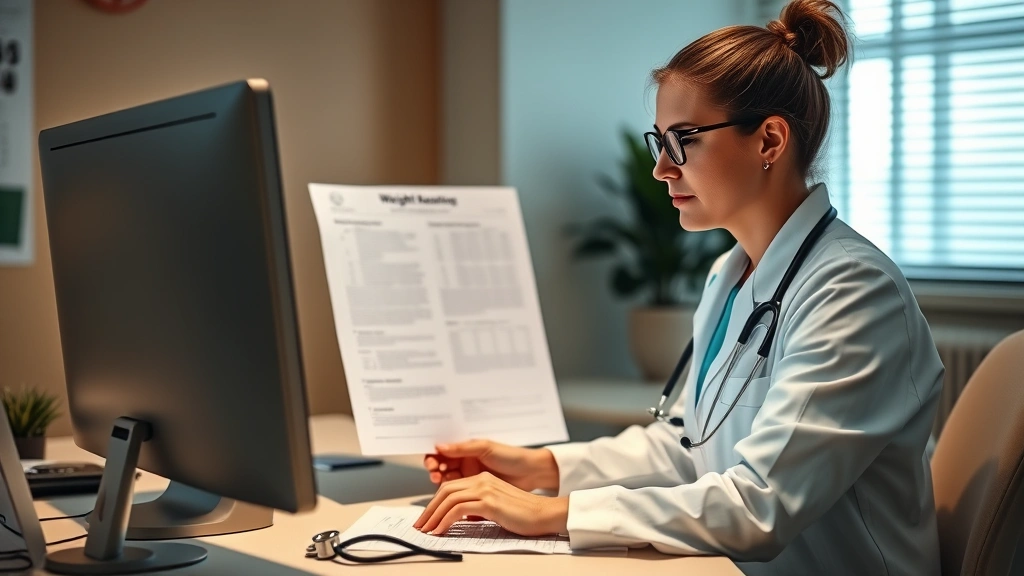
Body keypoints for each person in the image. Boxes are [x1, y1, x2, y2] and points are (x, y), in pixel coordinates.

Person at [414, 1, 944, 573]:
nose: (662, 169)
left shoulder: (851, 292)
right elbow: (688, 444)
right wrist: (537, 467)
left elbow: (757, 506)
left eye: (683, 140)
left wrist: (555, 513)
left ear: (769, 141)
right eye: (659, 141)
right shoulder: (730, 275)